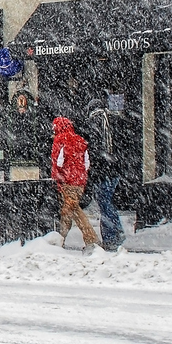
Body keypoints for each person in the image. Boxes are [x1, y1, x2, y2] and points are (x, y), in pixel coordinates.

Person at [50, 116, 100, 252]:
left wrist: (57, 177)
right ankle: (60, 240)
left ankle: (91, 240)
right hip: (79, 182)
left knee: (73, 211)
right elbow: (87, 163)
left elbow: (58, 162)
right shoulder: (80, 140)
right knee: (69, 211)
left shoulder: (60, 140)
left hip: (66, 181)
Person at [86, 98, 126, 251]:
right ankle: (113, 234)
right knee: (107, 201)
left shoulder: (94, 122)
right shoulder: (113, 119)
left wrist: (94, 169)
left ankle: (113, 235)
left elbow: (95, 150)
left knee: (104, 203)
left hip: (103, 171)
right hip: (114, 169)